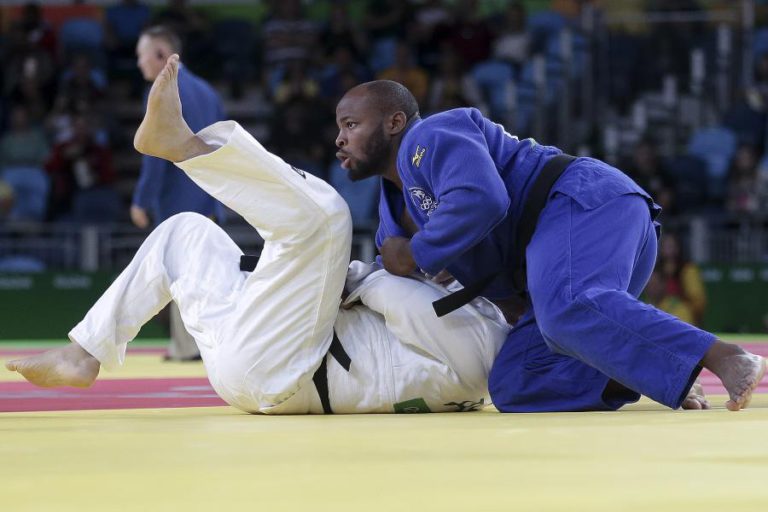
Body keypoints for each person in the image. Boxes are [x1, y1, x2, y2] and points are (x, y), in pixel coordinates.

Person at [5, 55, 510, 415]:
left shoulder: (485, 346)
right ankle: (84, 353)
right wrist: (375, 276)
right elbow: (394, 299)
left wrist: (378, 271)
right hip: (256, 357)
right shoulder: (469, 320)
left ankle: (188, 147)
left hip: (287, 372)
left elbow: (391, 293)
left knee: (326, 217)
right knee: (187, 233)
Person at [333, 80, 767, 412]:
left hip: (584, 205)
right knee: (514, 380)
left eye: (351, 125)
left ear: (394, 122)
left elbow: (482, 199)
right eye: (339, 128)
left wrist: (415, 254)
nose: (340, 139)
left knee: (565, 306)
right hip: (559, 263)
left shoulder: (432, 136)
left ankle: (721, 355)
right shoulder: (392, 214)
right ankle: (651, 375)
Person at [132, 25, 225, 361]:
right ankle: (206, 344)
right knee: (206, 272)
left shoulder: (163, 90)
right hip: (209, 194)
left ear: (160, 55)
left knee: (179, 269)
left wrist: (142, 199)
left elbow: (156, 152)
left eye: (142, 56)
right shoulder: (207, 91)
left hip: (177, 196)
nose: (140, 65)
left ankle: (186, 347)